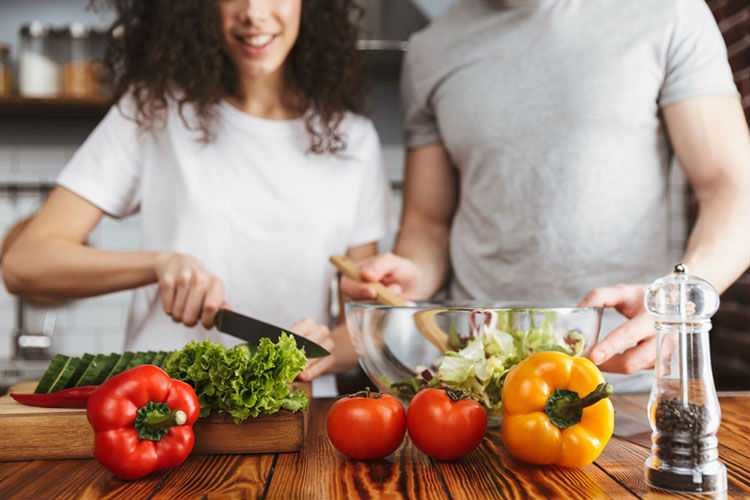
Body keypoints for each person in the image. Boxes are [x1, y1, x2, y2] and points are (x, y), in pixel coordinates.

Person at [341, 0, 750, 390]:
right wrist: (414, 274)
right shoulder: (431, 49)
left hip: (629, 381)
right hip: (479, 384)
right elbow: (428, 223)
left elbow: (734, 188)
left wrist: (678, 302)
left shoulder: (667, 11)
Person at [1, 0, 395, 387]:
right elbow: (24, 263)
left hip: (291, 423)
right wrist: (159, 264)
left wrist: (323, 349)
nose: (254, 12)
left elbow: (361, 326)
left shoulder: (353, 141)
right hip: (158, 410)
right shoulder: (153, 110)